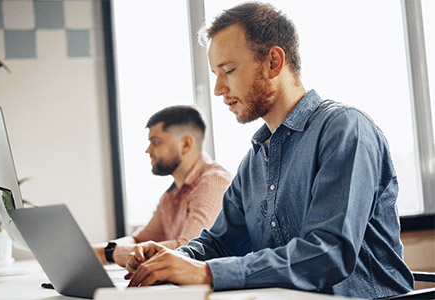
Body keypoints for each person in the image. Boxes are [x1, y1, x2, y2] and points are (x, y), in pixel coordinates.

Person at [124, 3, 414, 298]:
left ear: (274, 62)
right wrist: (174, 259)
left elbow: (328, 253)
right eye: (215, 74)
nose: (218, 89)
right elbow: (220, 243)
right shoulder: (254, 161)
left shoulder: (344, 130)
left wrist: (207, 273)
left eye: (228, 70)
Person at [94, 105, 232, 267]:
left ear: (186, 144)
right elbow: (139, 239)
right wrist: (102, 249)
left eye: (155, 142)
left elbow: (189, 249)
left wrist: (109, 253)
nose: (148, 150)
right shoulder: (172, 195)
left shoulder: (214, 182)